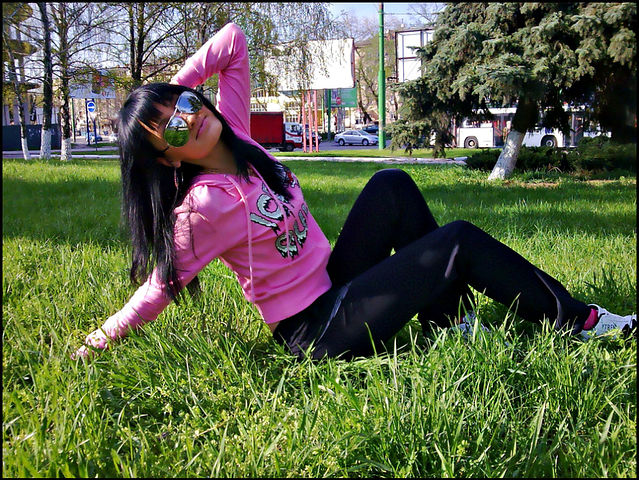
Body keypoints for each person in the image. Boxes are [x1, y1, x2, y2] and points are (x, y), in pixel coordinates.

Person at [72, 23, 635, 361]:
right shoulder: (201, 207)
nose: (188, 120)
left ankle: (448, 325)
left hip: (332, 280)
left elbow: (233, 41)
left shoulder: (236, 133)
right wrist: (98, 340)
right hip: (315, 331)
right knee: (458, 241)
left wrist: (170, 94)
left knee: (392, 184)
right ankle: (581, 320)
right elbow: (159, 289)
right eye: (170, 131)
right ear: (166, 160)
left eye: (186, 107)